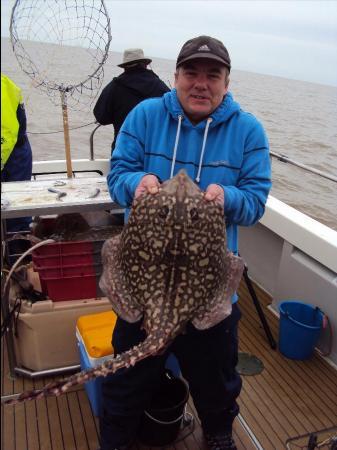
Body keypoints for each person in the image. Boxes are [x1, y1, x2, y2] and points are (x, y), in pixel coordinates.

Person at [101, 35, 272, 450]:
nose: (201, 83)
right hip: (146, 286)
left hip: (207, 292)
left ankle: (217, 434)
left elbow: (255, 200)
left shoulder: (248, 130)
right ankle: (116, 439)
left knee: (217, 386)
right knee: (126, 383)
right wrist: (135, 183)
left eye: (212, 75)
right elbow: (117, 173)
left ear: (226, 82)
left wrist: (226, 197)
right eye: (191, 72)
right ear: (175, 76)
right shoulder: (145, 116)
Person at [93, 48, 170, 152]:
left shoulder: (114, 87)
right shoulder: (160, 87)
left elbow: (101, 117)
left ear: (124, 67)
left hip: (122, 150)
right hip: (153, 151)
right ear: (145, 64)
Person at [1, 74, 33, 256]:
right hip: (11, 151)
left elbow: (7, 132)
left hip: (14, 154)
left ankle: (18, 259)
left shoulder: (3, 87)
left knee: (16, 207)